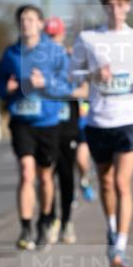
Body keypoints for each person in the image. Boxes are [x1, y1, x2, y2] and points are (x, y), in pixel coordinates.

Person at [70, 0, 133, 267]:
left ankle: (120, 245)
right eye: (111, 4)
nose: (116, 9)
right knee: (105, 181)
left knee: (121, 182)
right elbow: (72, 72)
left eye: (122, 3)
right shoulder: (88, 38)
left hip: (129, 118)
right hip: (98, 120)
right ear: (104, 6)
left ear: (129, 6)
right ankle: (112, 225)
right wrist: (94, 74)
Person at [0, 5, 70, 250]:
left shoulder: (55, 52)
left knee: (45, 176)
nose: (26, 24)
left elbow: (67, 86)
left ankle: (45, 220)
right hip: (21, 120)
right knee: (26, 172)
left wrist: (44, 82)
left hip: (47, 121)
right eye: (22, 20)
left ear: (40, 23)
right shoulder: (11, 54)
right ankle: (25, 227)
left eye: (31, 19)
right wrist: (8, 89)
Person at [43, 15, 88, 244]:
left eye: (54, 35)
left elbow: (85, 91)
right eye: (47, 35)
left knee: (66, 175)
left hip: (67, 125)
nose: (51, 39)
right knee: (44, 176)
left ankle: (67, 222)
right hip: (44, 126)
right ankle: (50, 219)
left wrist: (59, 91)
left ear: (61, 35)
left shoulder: (72, 61)